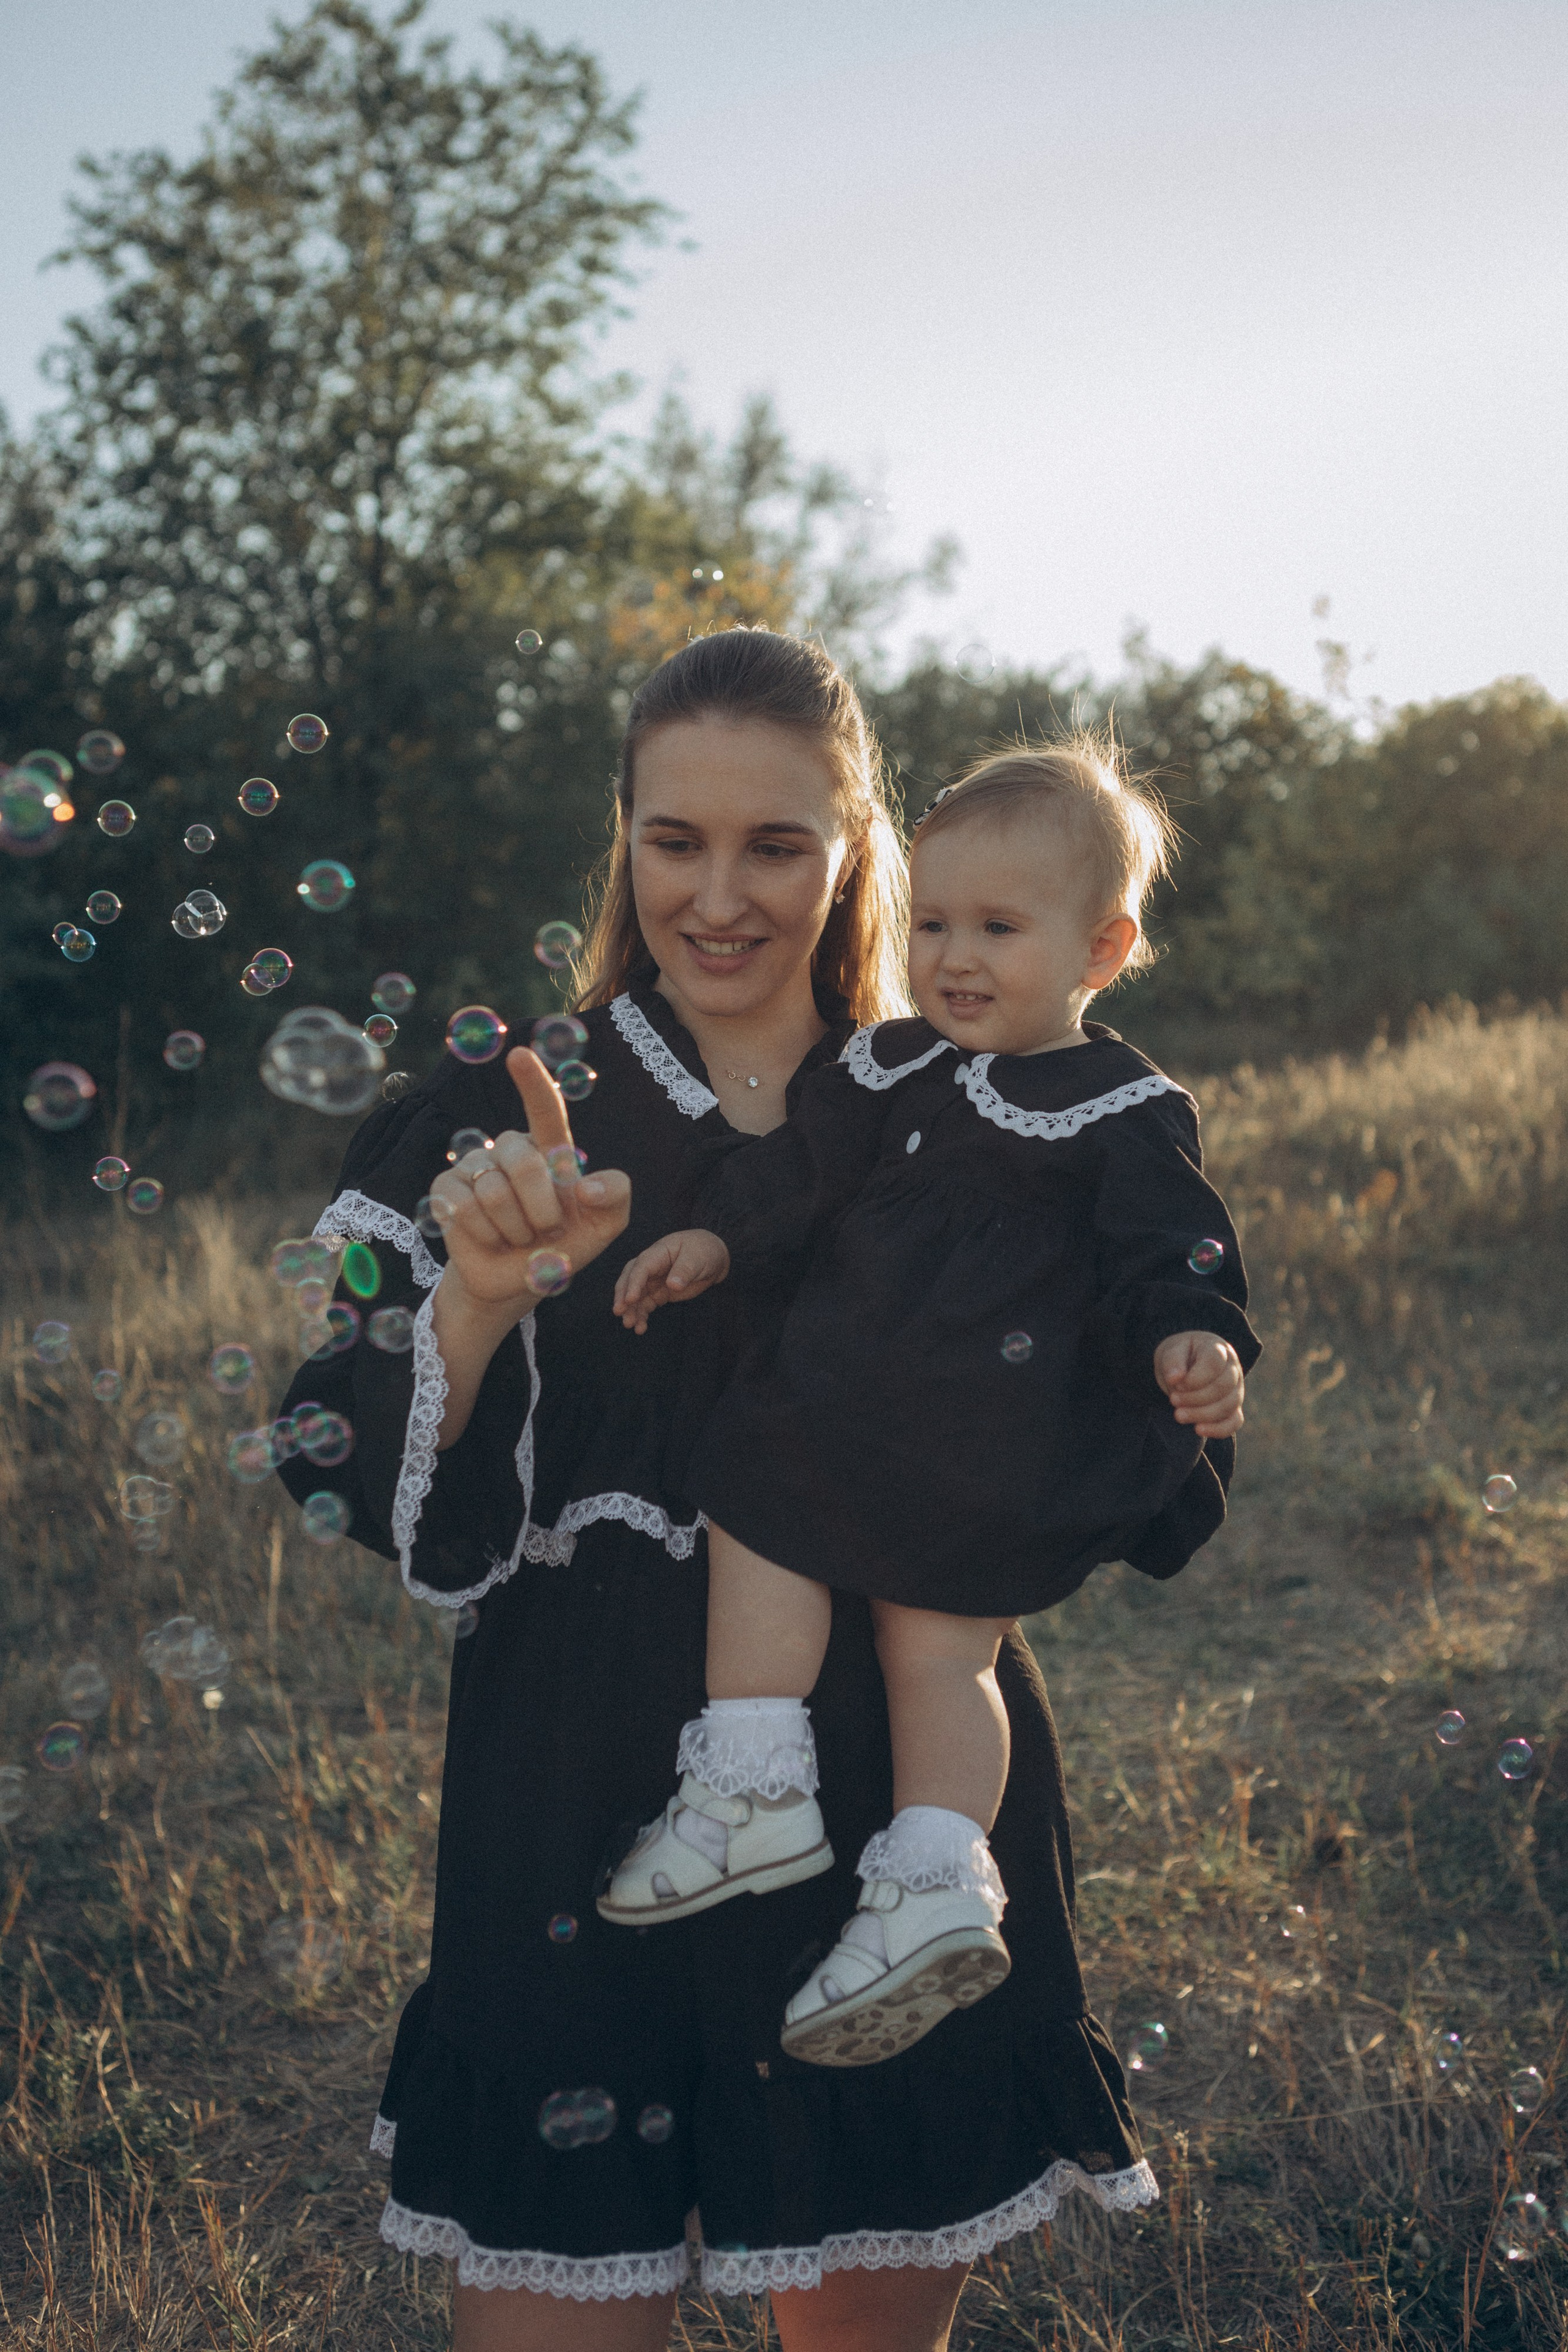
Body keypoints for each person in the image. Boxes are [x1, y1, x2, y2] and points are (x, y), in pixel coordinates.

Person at [276, 633, 1158, 2352]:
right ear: (621, 837)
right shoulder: (506, 1102)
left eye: (778, 844)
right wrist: (478, 1285)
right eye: (675, 838)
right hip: (574, 1780)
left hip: (877, 1773)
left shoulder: (963, 1100)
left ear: (854, 850)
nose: (722, 895)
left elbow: (1118, 1412)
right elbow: (346, 1467)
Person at [605, 739, 1259, 2072]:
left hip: (984, 1436)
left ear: (1103, 945)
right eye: (936, 923)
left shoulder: (1121, 1109)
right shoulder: (887, 1069)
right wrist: (722, 1245)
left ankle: (930, 1878)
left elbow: (1167, 1252)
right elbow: (797, 1185)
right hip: (837, 1414)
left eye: (1000, 929)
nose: (956, 956)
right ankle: (758, 1785)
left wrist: (1192, 1334)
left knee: (942, 1654)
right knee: (755, 1504)